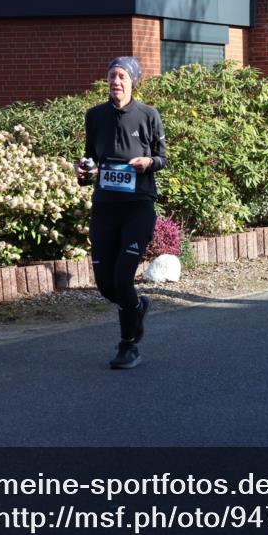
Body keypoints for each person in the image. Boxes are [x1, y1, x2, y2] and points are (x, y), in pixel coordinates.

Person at [74, 56, 166, 369]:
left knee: (123, 278)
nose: (116, 81)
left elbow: (162, 158)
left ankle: (128, 346)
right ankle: (137, 306)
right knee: (106, 285)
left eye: (122, 76)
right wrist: (83, 171)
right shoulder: (95, 116)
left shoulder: (148, 115)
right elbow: (90, 158)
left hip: (138, 207)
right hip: (105, 208)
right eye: (112, 76)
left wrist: (148, 163)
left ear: (133, 81)